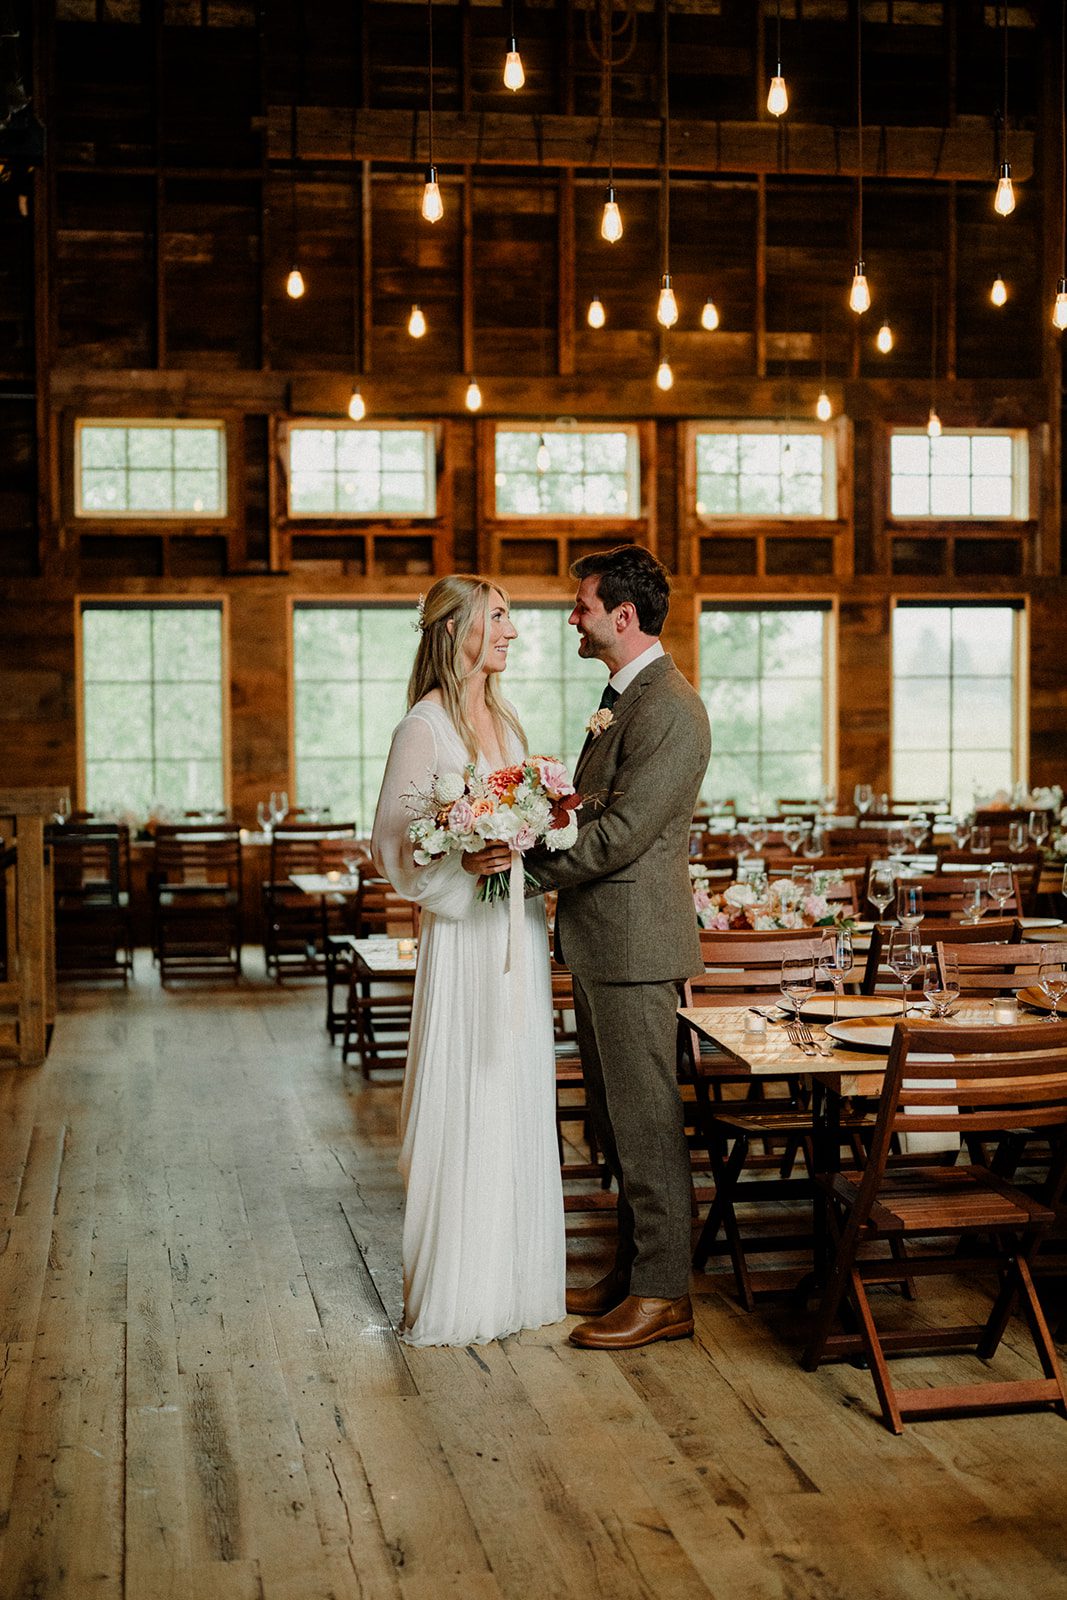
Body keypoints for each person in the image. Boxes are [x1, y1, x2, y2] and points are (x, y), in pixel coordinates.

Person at [370, 574, 566, 1346]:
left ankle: (518, 1282)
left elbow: (523, 825)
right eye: (500, 617)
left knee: (516, 1089)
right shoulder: (423, 727)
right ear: (457, 633)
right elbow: (393, 844)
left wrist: (540, 833)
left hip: (516, 930)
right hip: (464, 940)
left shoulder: (509, 724)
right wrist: (465, 864)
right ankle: (460, 1291)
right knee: (468, 1087)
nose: (513, 632)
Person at [525, 544, 712, 1351]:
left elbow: (627, 832)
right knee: (611, 1116)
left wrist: (520, 871)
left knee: (644, 1120)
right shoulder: (622, 700)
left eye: (581, 607)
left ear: (621, 617)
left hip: (636, 942)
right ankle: (636, 1270)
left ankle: (666, 1293)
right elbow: (591, 808)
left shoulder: (671, 706)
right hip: (603, 940)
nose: (573, 618)